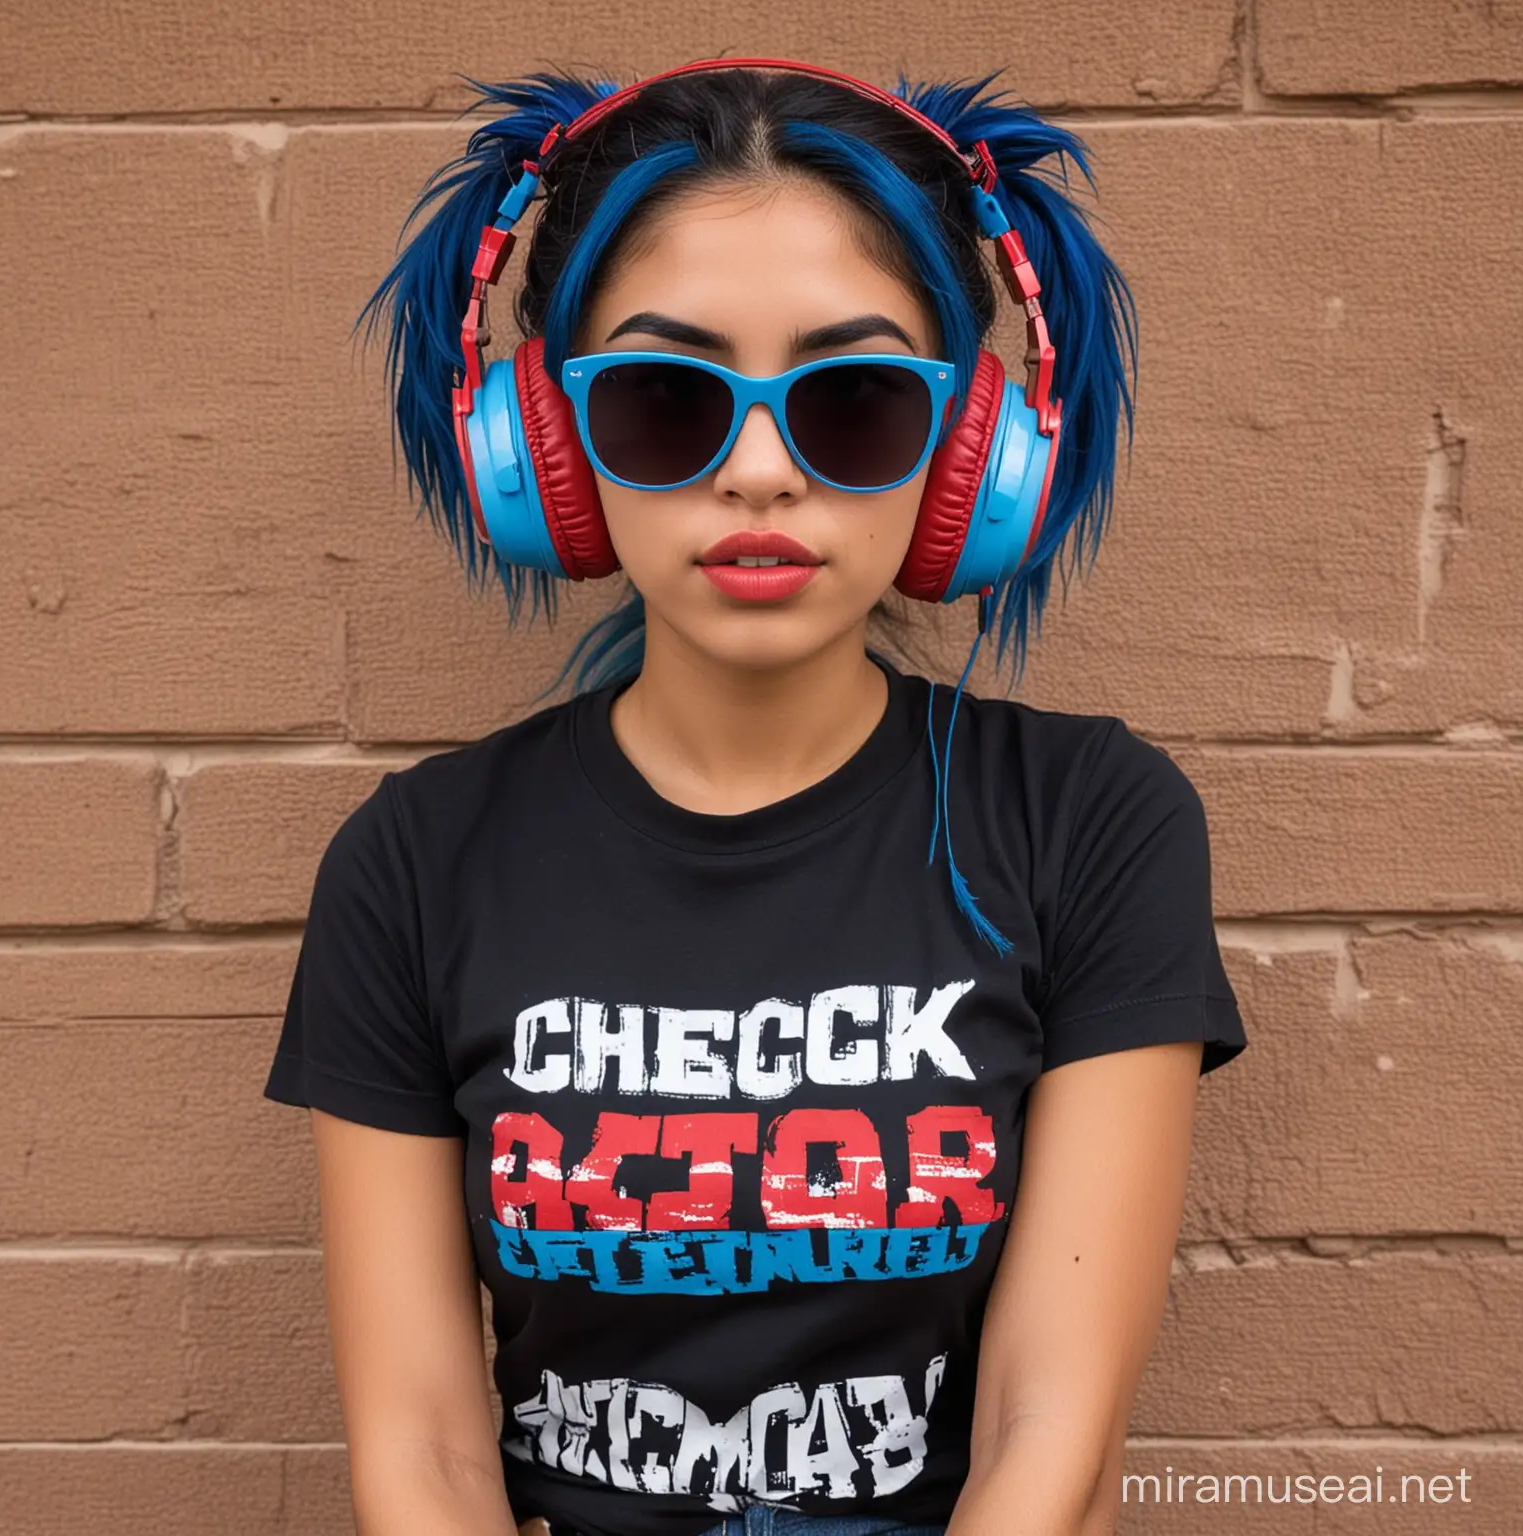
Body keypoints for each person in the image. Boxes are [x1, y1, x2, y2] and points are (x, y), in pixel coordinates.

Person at [263, 57, 1247, 1536]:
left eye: (854, 405)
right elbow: (424, 1457)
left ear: (975, 454)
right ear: (550, 449)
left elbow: (1053, 1432)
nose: (764, 472)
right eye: (668, 402)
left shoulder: (1087, 823)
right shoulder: (417, 862)